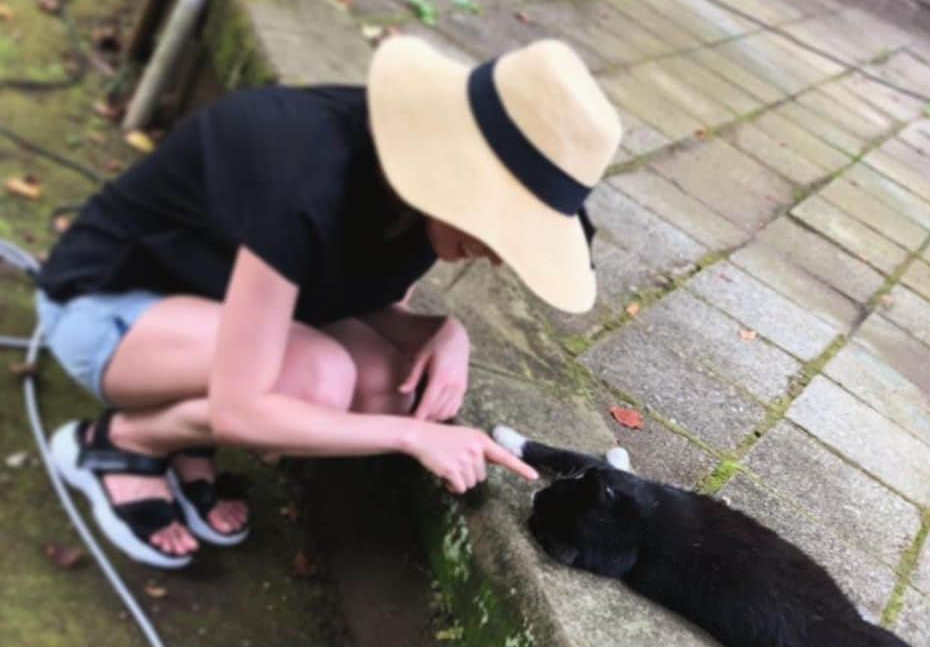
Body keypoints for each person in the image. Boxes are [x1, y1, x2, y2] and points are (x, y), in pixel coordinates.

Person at [34, 36, 622, 569]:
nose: (496, 256)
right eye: (505, 225)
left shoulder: (416, 191)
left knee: (388, 387)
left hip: (217, 310)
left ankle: (184, 434)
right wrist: (410, 437)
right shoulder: (305, 172)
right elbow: (246, 409)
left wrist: (440, 333)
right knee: (318, 380)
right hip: (105, 310)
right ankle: (118, 445)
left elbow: (349, 295)